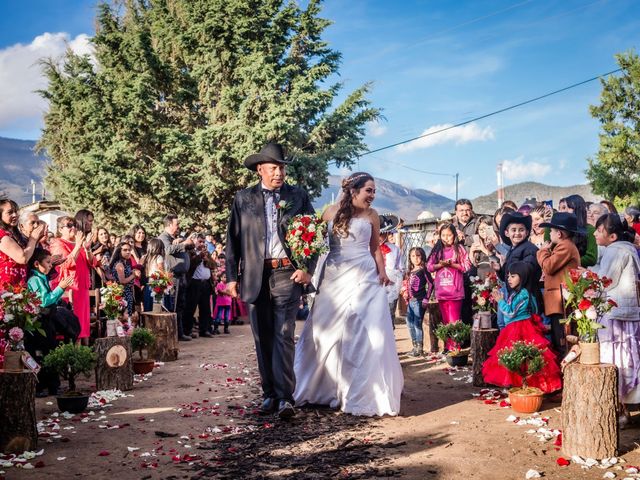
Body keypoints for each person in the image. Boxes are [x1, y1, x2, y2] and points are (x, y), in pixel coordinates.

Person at [294, 171, 404, 417]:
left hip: (364, 275)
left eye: (374, 191)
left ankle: (363, 392)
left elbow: (375, 248)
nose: (372, 196)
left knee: (364, 330)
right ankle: (324, 388)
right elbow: (311, 242)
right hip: (334, 276)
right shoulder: (330, 213)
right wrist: (304, 258)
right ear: (354, 190)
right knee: (328, 330)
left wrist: (383, 271)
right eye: (369, 190)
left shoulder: (372, 216)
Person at [225, 143, 316, 419]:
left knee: (284, 334)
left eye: (282, 167)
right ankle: (269, 395)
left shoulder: (298, 196)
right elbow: (233, 240)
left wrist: (307, 268)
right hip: (254, 276)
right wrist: (231, 277)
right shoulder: (243, 199)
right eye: (274, 167)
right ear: (259, 170)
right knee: (262, 336)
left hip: (287, 273)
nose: (279, 172)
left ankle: (285, 398)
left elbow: (314, 234)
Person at [589, 214, 640, 424]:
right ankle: (624, 408)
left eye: (599, 230)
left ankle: (618, 409)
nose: (595, 233)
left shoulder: (615, 251)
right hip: (629, 312)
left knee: (614, 359)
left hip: (616, 313)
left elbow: (606, 282)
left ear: (611, 236)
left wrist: (586, 276)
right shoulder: (628, 249)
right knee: (629, 356)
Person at [482, 262, 562, 393]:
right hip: (516, 326)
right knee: (519, 356)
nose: (509, 279)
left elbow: (511, 312)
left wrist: (500, 301)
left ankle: (527, 385)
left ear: (523, 277)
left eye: (513, 276)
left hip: (521, 328)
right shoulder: (517, 293)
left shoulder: (523, 294)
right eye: (508, 276)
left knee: (522, 357)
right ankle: (520, 385)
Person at [27, 249, 75, 397]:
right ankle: (42, 386)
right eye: (47, 262)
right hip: (38, 323)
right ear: (36, 264)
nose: (50, 265)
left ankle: (53, 386)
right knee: (43, 353)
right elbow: (44, 300)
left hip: (47, 321)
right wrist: (61, 288)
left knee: (51, 351)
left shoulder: (41, 277)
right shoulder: (34, 280)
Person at [536, 212, 581, 356]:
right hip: (558, 302)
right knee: (558, 338)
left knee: (562, 340)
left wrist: (542, 251)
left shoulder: (565, 246)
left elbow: (548, 266)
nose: (549, 234)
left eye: (552, 231)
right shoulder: (563, 246)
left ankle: (565, 372)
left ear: (559, 234)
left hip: (561, 302)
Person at [50, 216, 96, 345]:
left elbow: (92, 262)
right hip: (70, 287)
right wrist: (78, 246)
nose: (73, 228)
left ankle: (84, 349)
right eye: (69, 225)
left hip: (82, 286)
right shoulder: (58, 243)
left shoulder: (78, 243)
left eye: (74, 225)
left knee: (83, 320)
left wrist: (87, 248)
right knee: (73, 320)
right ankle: (73, 350)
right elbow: (67, 263)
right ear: (60, 229)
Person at [492, 211, 541, 329]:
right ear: (506, 233)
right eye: (513, 230)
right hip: (511, 295)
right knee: (503, 324)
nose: (517, 233)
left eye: (521, 230)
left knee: (516, 328)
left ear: (527, 232)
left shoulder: (530, 249)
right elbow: (509, 276)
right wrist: (500, 270)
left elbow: (526, 271)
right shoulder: (513, 250)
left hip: (523, 298)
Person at [427, 223, 470, 350]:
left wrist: (452, 264)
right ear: (439, 236)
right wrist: (440, 265)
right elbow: (429, 267)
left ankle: (455, 348)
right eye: (443, 235)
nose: (446, 238)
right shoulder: (437, 250)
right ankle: (449, 347)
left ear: (454, 236)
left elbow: (467, 266)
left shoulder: (459, 249)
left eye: (449, 235)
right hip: (442, 291)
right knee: (446, 320)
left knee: (454, 320)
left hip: (455, 291)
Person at [159, 214, 194, 342]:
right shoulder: (163, 237)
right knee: (173, 306)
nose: (178, 226)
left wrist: (185, 242)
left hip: (182, 276)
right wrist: (183, 243)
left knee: (180, 305)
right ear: (169, 225)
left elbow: (191, 245)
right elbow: (167, 249)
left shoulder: (177, 238)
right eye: (176, 224)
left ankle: (180, 333)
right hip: (173, 277)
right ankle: (173, 334)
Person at [0, 198, 45, 286]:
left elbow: (29, 257)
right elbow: (23, 258)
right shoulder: (2, 235)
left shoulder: (15, 235)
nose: (15, 215)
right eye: (10, 212)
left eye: (16, 211)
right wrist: (33, 239)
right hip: (5, 289)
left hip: (19, 287)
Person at [401, 247, 433, 357]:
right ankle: (414, 346)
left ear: (422, 256)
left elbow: (431, 284)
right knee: (409, 323)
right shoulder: (409, 271)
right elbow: (406, 284)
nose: (416, 258)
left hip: (420, 301)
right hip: (411, 301)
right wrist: (405, 291)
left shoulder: (424, 270)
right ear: (410, 258)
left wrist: (426, 298)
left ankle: (419, 348)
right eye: (413, 256)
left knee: (417, 324)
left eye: (418, 255)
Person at [185, 233, 215, 338]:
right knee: (190, 307)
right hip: (194, 283)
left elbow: (214, 265)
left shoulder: (207, 252)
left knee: (205, 308)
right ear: (194, 241)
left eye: (203, 242)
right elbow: (189, 266)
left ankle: (205, 329)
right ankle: (187, 330)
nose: (202, 244)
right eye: (200, 241)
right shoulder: (190, 252)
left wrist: (207, 259)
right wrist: (199, 256)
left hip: (206, 283)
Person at [557, 195, 597, 267]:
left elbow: (592, 258)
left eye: (567, 207)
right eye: (563, 208)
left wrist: (568, 261)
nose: (564, 211)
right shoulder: (561, 228)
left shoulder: (590, 230)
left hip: (577, 274)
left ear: (577, 209)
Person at [379, 214, 402, 328]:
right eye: (377, 234)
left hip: (391, 287)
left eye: (382, 234)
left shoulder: (395, 249)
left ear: (387, 233)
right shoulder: (367, 249)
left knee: (389, 314)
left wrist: (397, 286)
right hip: (374, 286)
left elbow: (399, 268)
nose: (380, 236)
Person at [109, 242, 141, 318]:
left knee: (129, 317)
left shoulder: (126, 263)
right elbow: (122, 281)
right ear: (119, 251)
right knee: (124, 317)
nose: (128, 252)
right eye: (125, 250)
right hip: (123, 294)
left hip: (128, 293)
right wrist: (133, 275)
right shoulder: (120, 264)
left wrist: (134, 272)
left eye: (129, 250)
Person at [141, 238, 166, 312]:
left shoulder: (146, 257)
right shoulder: (159, 257)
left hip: (148, 283)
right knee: (156, 306)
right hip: (156, 283)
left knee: (148, 305)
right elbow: (161, 271)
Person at [469, 216, 497, 280]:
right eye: (480, 229)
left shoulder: (496, 242)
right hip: (480, 279)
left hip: (494, 278)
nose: (483, 231)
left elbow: (497, 261)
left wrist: (483, 249)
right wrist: (471, 252)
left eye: (485, 228)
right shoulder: (478, 242)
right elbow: (474, 265)